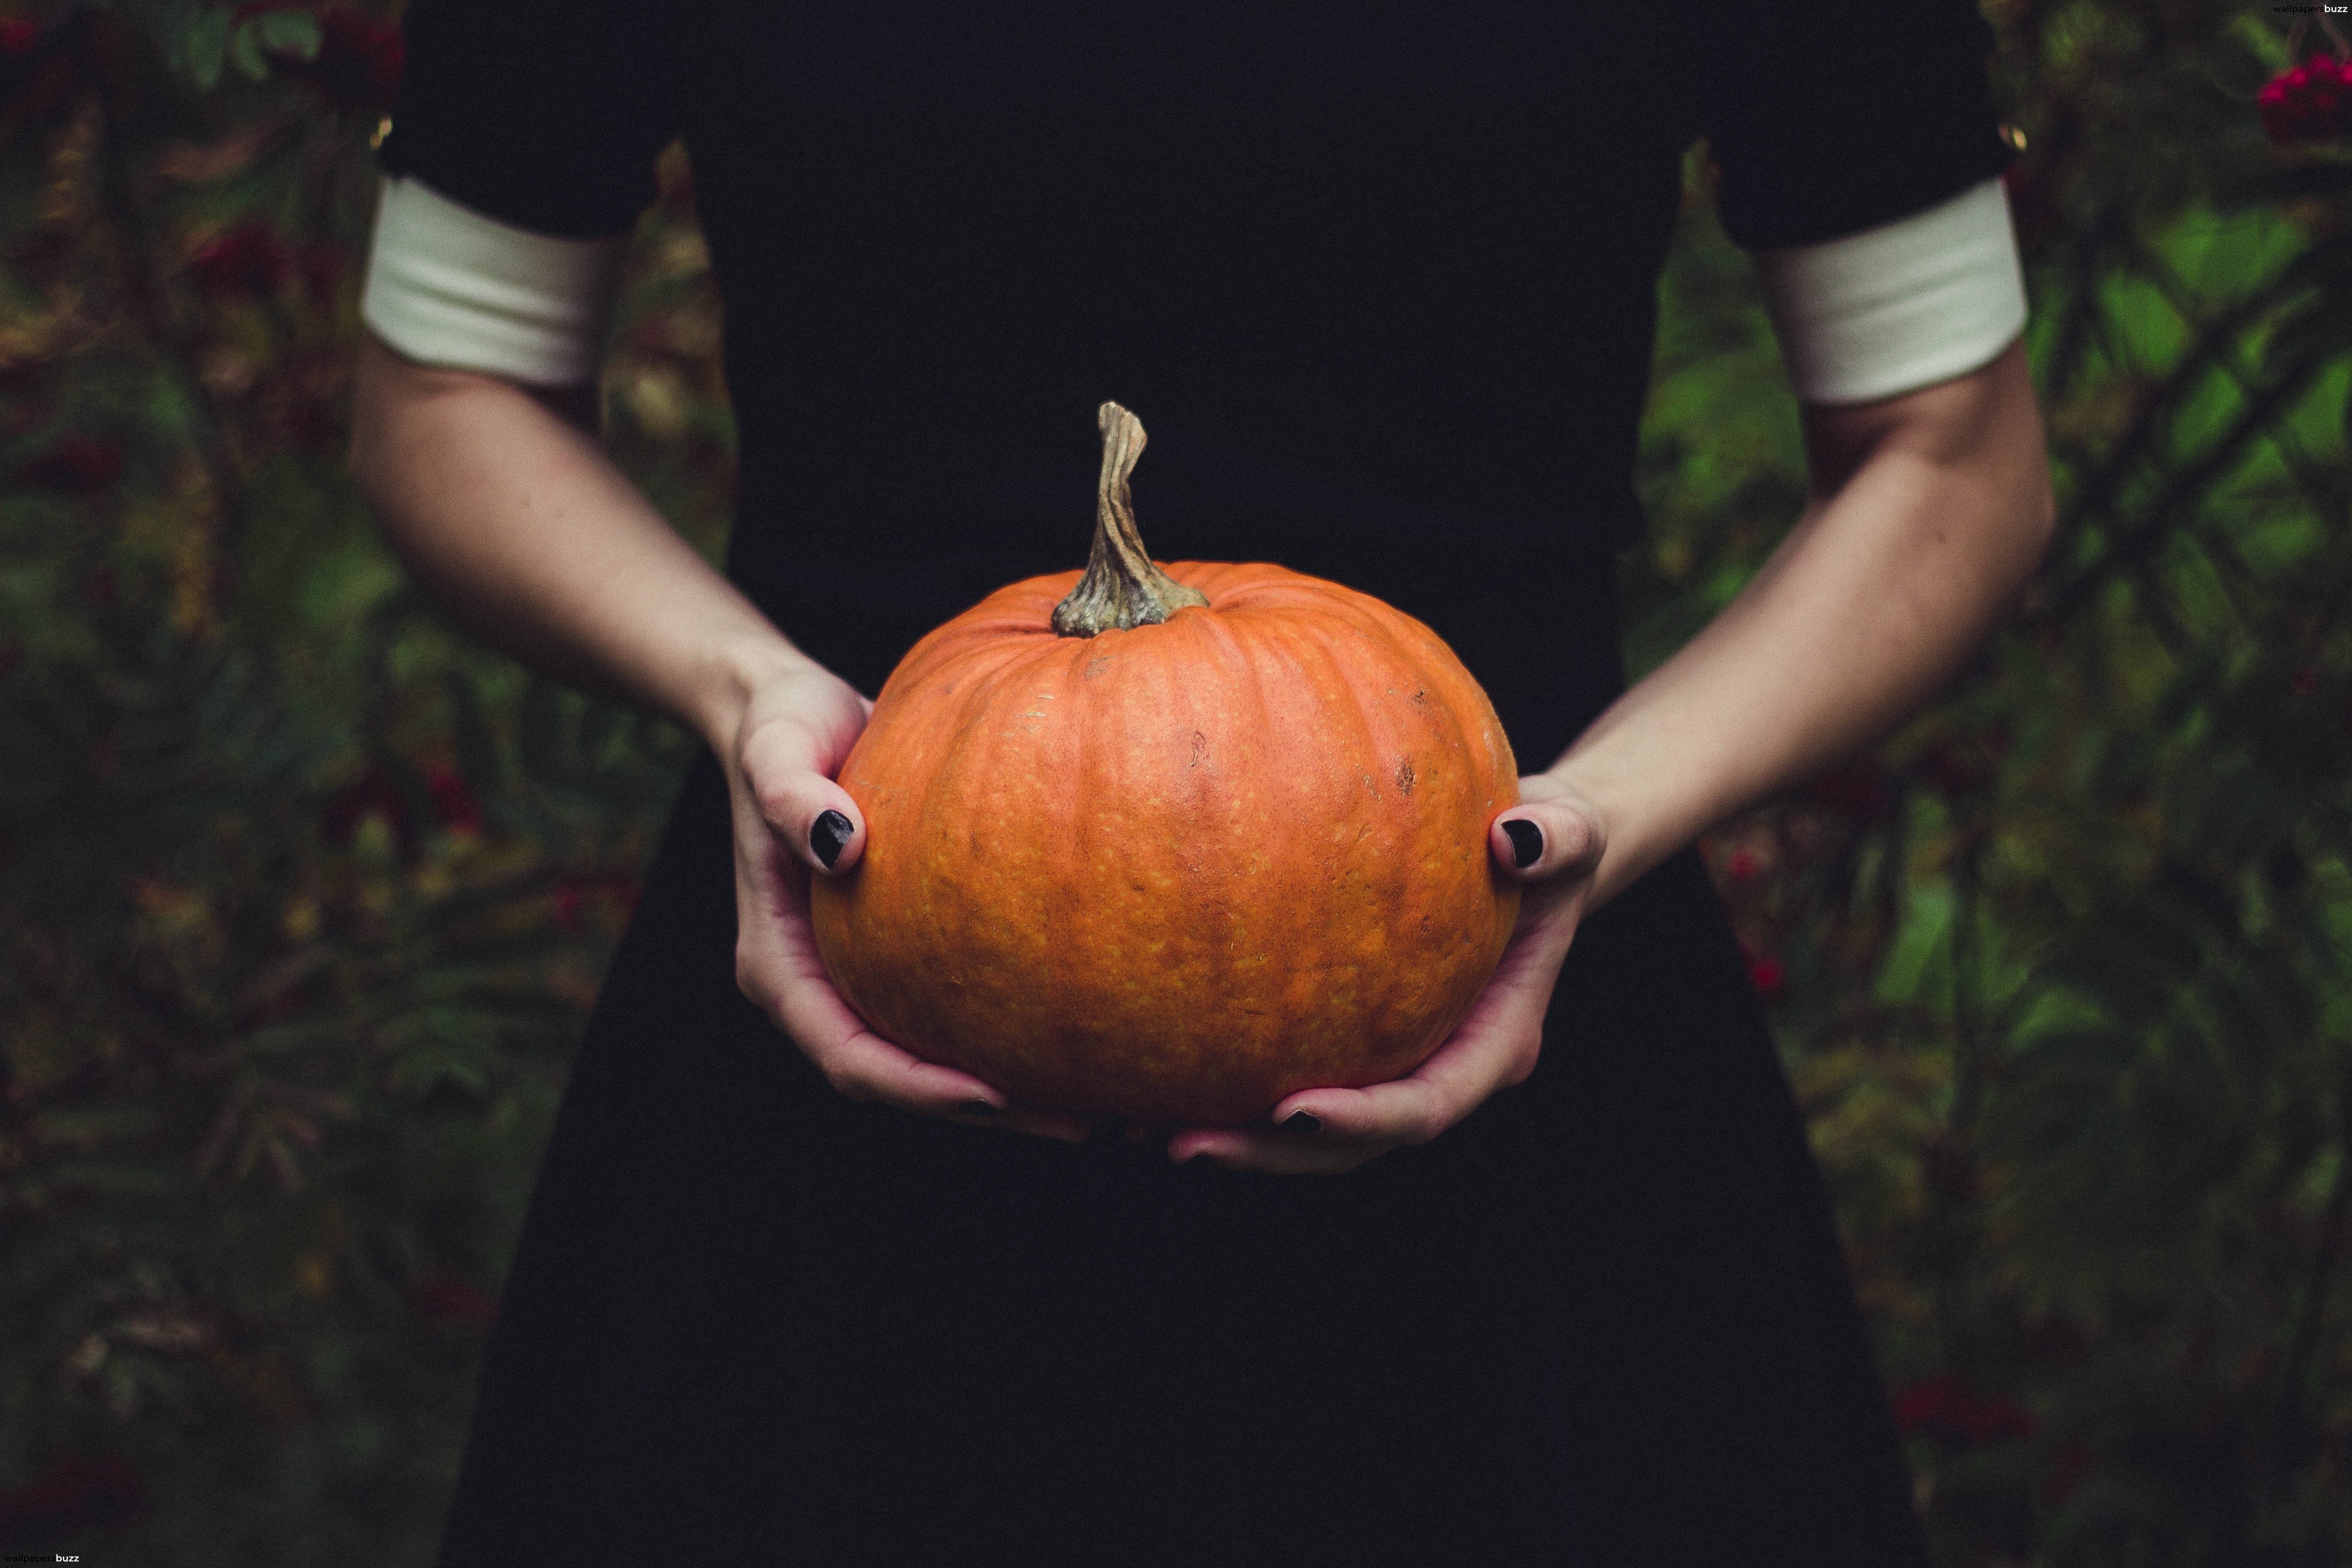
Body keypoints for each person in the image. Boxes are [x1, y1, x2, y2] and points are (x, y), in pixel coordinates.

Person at [348, 0, 2054, 1561]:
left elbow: (1953, 452)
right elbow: (445, 389)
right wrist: (745, 698)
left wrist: (1599, 819)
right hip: (852, 945)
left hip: (1516, 976)